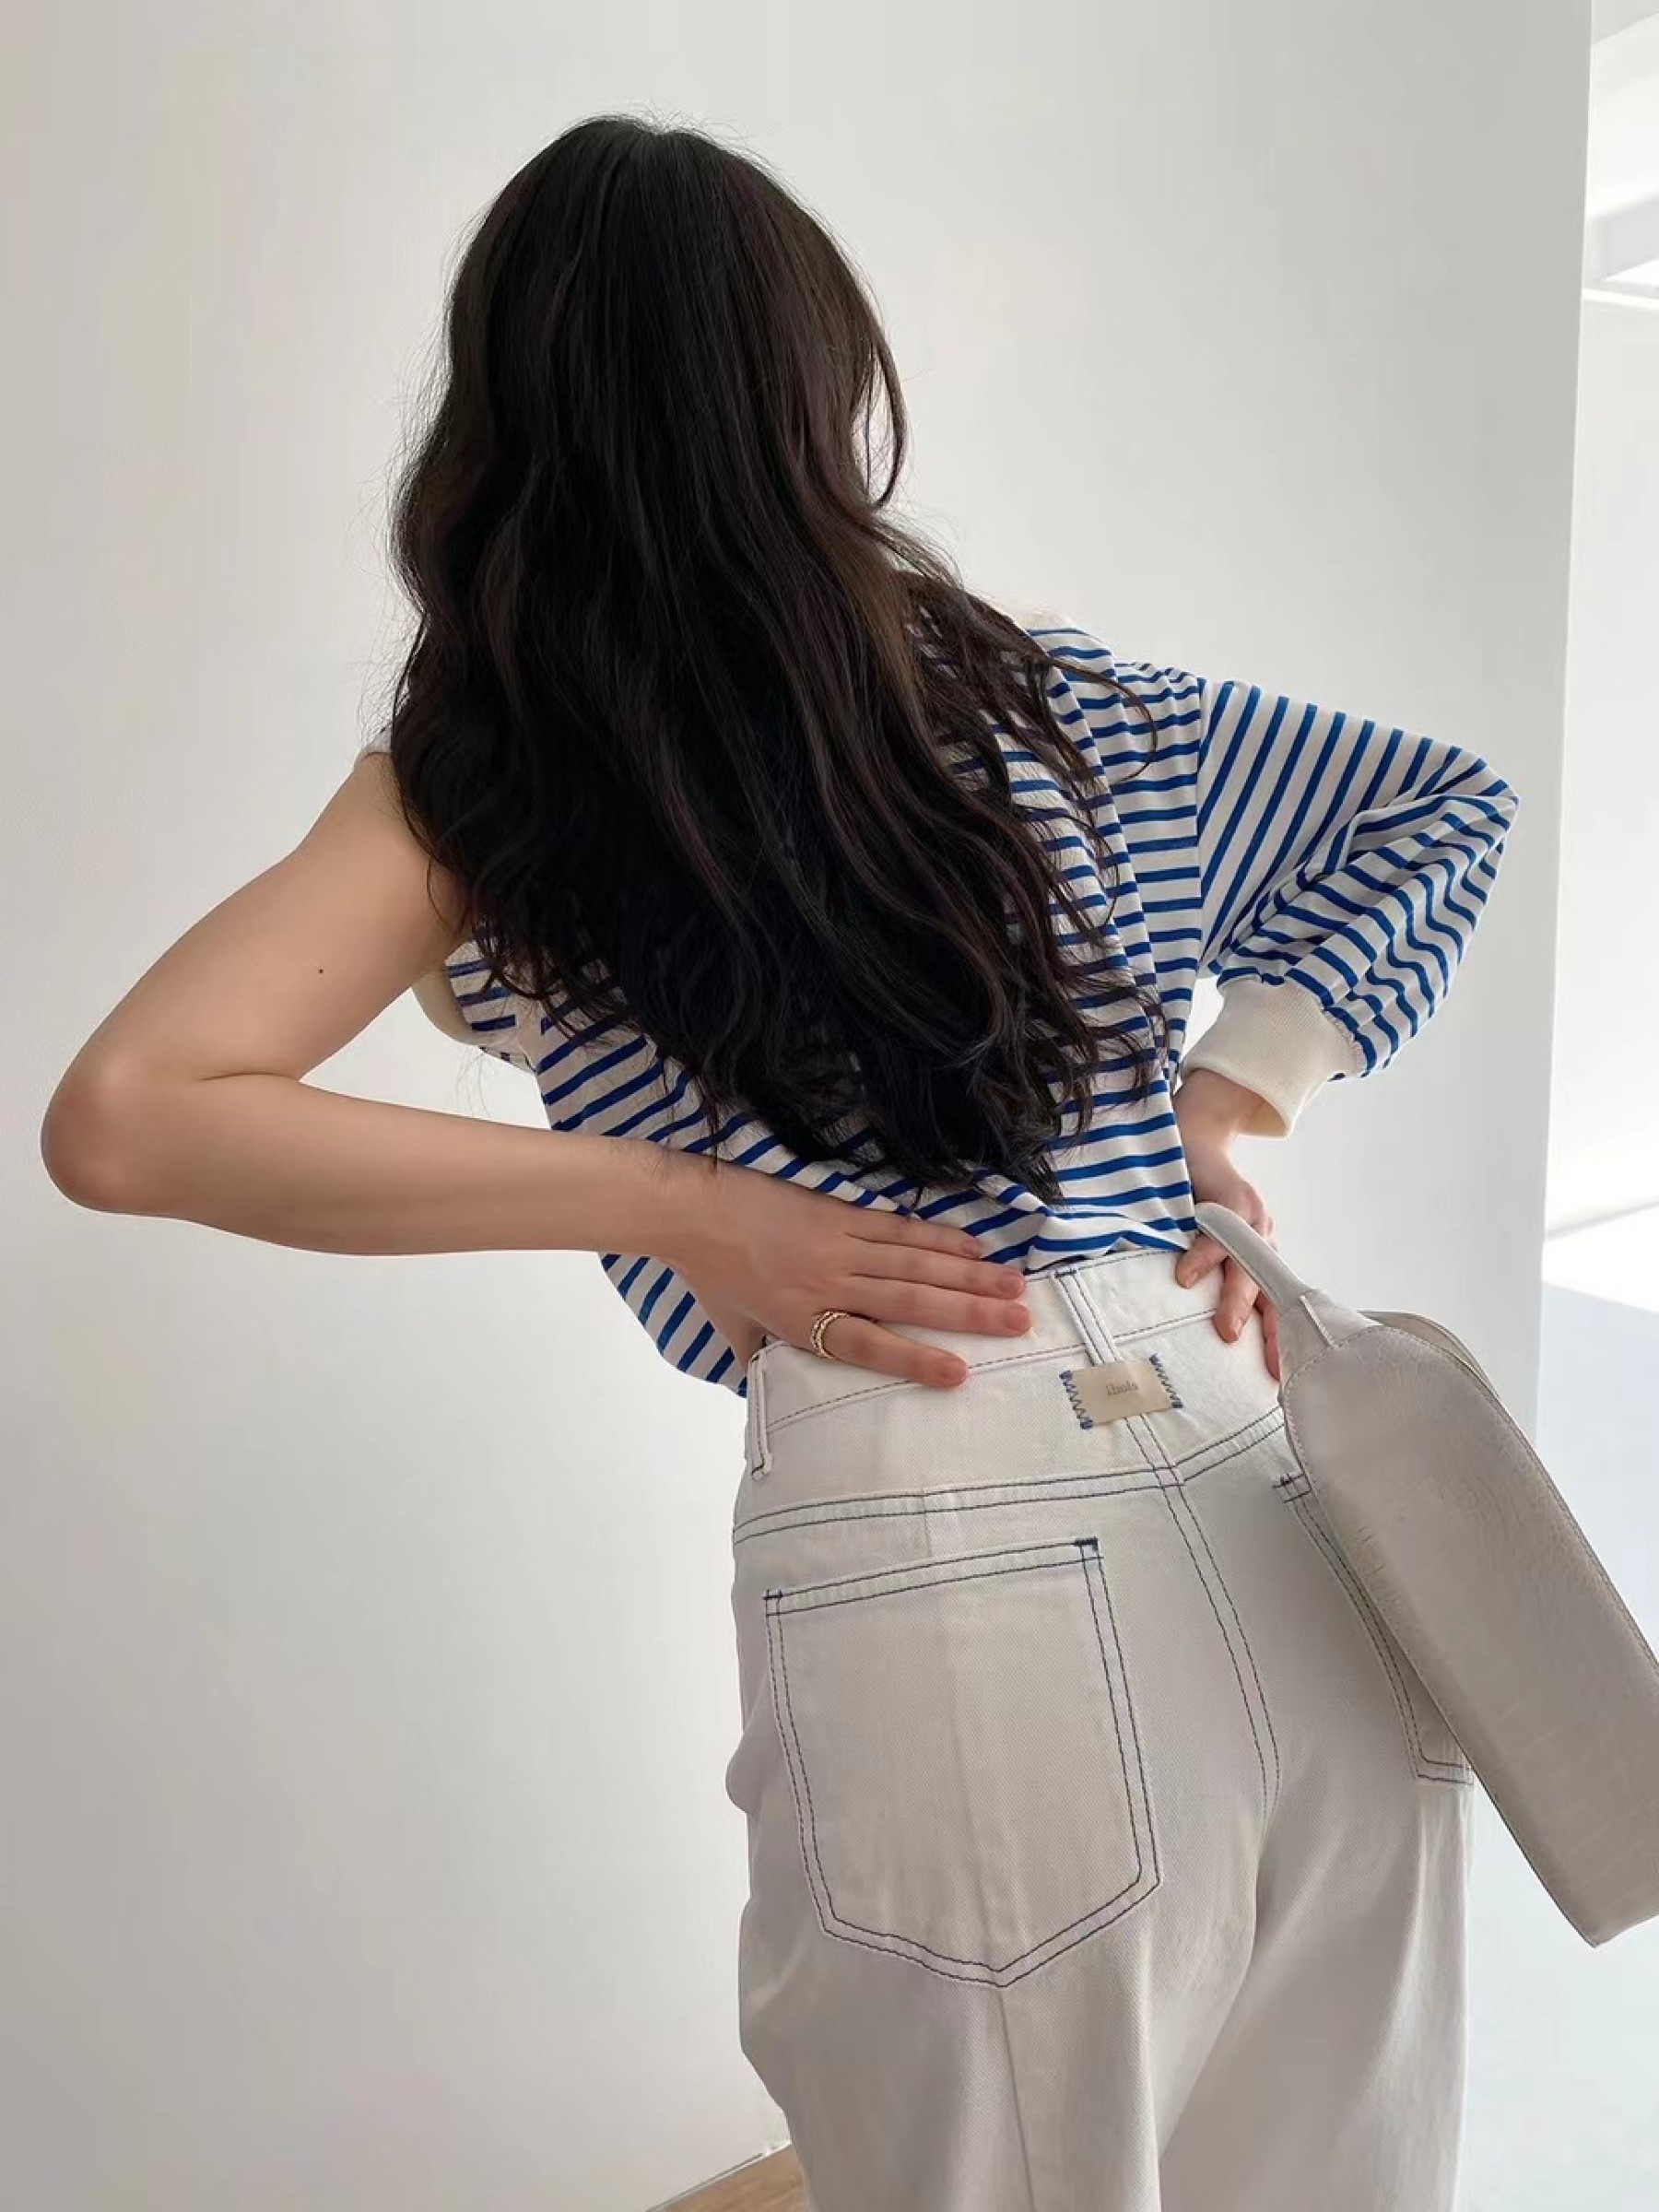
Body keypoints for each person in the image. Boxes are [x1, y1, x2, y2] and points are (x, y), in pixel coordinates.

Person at [40, 114, 1520, 2212]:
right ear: (821, 388)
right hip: (1260, 1476)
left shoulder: (491, 778)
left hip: (945, 1515)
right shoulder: (1045, 691)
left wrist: (682, 1202)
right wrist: (1233, 1094)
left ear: (504, 419)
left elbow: (131, 1112)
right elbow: (1436, 809)